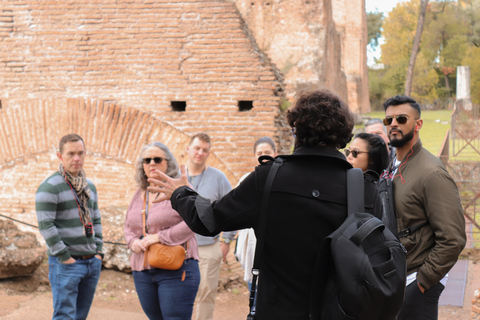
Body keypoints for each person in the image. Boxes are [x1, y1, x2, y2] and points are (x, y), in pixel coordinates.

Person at [148, 89, 381, 319]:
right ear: (344, 135)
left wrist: (180, 193)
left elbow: (209, 220)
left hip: (279, 309)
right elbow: (381, 258)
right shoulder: (365, 188)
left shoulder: (268, 178)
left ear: (295, 130)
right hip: (344, 312)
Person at [382, 95, 466, 320]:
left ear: (418, 124)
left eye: (401, 118)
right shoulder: (394, 165)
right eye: (388, 120)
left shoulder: (432, 173)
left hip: (416, 282)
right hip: (396, 278)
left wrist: (422, 282)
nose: (393, 124)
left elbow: (453, 238)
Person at [124, 141, 200, 320]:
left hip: (176, 267)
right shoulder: (139, 193)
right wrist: (132, 242)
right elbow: (128, 226)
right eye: (147, 160)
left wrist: (160, 237)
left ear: (168, 163)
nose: (152, 163)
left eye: (157, 159)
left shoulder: (181, 190)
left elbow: (194, 222)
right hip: (142, 269)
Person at [35, 134, 103, 320]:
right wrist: (65, 258)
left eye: (81, 153)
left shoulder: (89, 187)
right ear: (60, 156)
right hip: (66, 263)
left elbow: (96, 220)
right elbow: (46, 226)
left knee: (80, 316)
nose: (77, 158)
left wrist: (98, 254)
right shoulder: (49, 187)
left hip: (91, 262)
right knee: (65, 316)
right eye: (71, 153)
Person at [184, 133, 236, 320]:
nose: (200, 153)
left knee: (205, 294)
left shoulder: (219, 178)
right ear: (187, 149)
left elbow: (232, 209)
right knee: (178, 294)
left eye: (205, 150)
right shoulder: (176, 176)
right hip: (177, 247)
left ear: (209, 153)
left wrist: (227, 239)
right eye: (197, 148)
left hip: (207, 246)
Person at [235, 137, 278, 291]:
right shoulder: (245, 180)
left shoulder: (282, 179)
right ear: (254, 156)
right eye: (260, 153)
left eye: (267, 152)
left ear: (275, 153)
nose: (263, 156)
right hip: (252, 242)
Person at [345, 132, 388, 218]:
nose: (349, 156)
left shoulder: (380, 187)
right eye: (347, 152)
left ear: (372, 158)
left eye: (355, 153)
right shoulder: (345, 179)